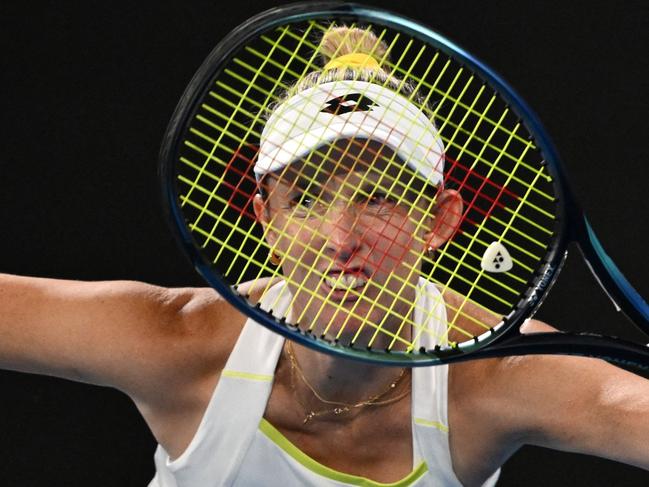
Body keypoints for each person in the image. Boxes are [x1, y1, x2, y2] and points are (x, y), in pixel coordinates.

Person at [1, 25, 648, 487]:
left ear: (439, 219)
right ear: (265, 218)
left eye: (380, 200)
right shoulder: (176, 342)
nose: (342, 235)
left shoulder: (499, 378)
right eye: (305, 199)